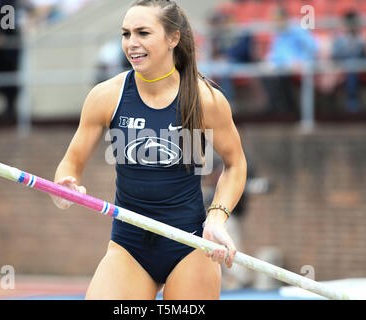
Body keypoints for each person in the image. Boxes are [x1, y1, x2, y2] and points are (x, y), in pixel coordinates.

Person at [51, 0, 247, 300]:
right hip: (129, 247)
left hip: (191, 245)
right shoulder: (106, 96)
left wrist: (218, 217)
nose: (132, 43)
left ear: (173, 38)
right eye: (126, 34)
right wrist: (64, 185)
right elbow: (70, 164)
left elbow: (235, 164)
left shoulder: (206, 99)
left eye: (143, 33)